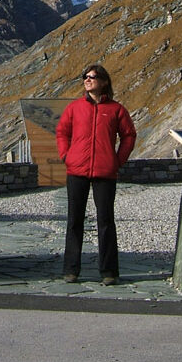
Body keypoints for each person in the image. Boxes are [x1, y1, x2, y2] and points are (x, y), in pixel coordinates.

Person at [55, 64, 136, 286]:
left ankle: (109, 271)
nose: (87, 79)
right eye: (85, 76)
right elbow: (62, 132)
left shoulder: (116, 110)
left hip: (105, 172)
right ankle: (71, 270)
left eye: (92, 76)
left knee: (106, 221)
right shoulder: (74, 108)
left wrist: (117, 160)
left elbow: (129, 135)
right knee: (74, 220)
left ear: (104, 82)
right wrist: (66, 155)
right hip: (77, 170)